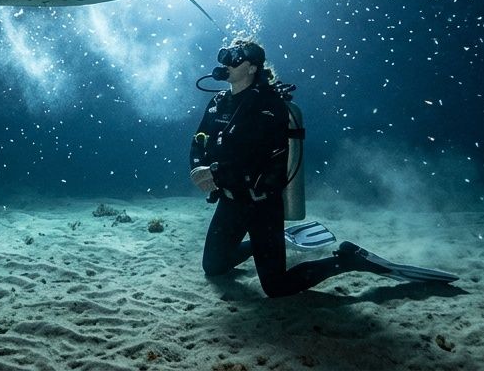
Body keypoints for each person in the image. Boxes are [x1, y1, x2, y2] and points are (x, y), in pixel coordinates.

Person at [189, 39, 457, 298]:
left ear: (252, 68)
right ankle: (268, 246)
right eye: (226, 56)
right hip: (230, 201)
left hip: (261, 205)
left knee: (276, 287)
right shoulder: (218, 102)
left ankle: (348, 260)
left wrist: (215, 172)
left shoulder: (269, 105)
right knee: (213, 267)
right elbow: (200, 139)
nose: (227, 62)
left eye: (236, 58)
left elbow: (261, 157)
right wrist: (197, 167)